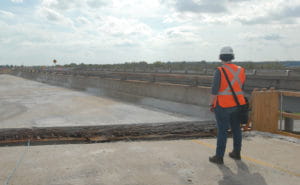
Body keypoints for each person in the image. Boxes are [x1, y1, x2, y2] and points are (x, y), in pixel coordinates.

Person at [209, 46, 246, 164]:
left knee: (222, 131)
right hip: (238, 105)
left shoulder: (219, 70)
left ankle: (219, 157)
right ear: (232, 57)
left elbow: (214, 91)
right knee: (236, 129)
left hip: (223, 105)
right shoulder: (241, 70)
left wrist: (211, 104)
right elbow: (241, 87)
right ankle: (236, 153)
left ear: (221, 57)